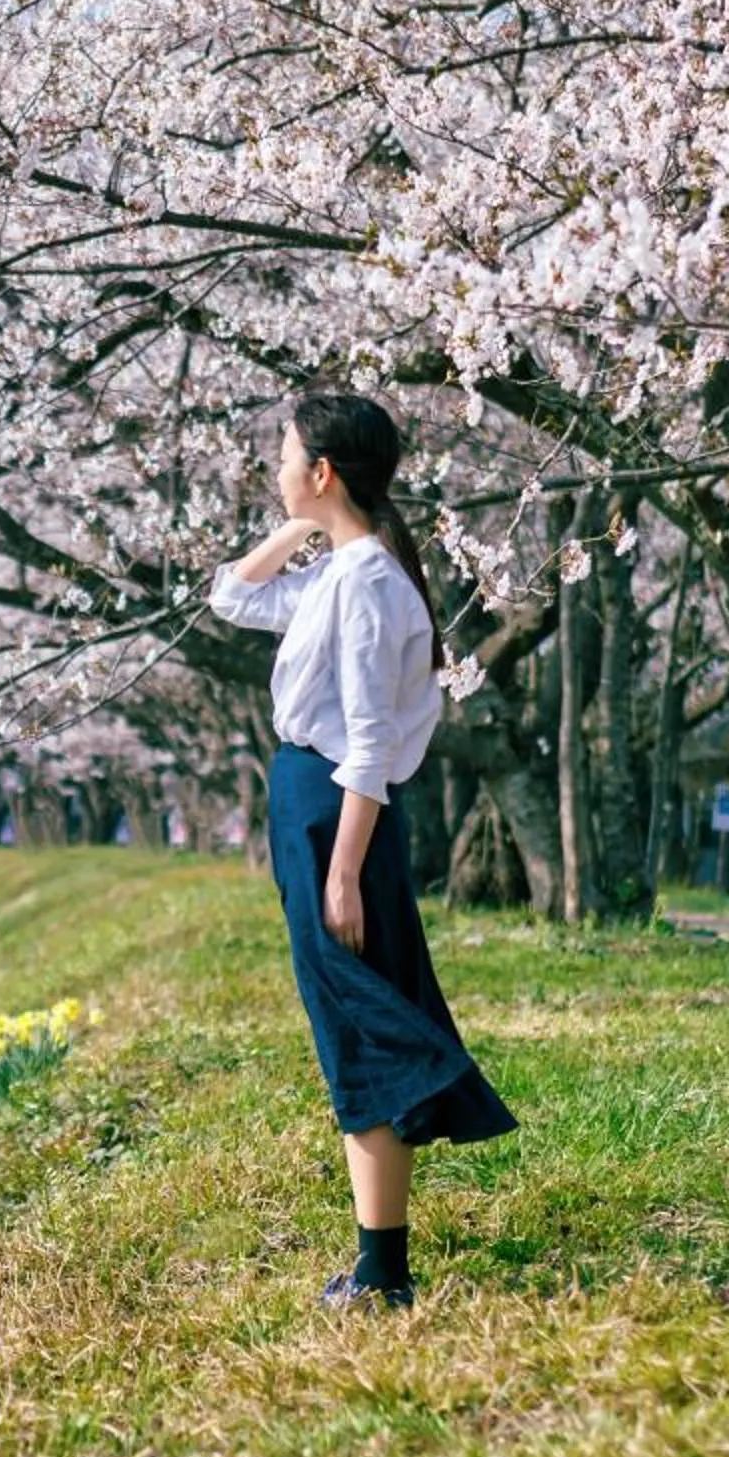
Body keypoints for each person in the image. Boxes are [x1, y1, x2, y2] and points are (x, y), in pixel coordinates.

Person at [208, 393, 517, 1310]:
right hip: (315, 804)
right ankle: (379, 1267)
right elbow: (231, 596)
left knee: (363, 1027)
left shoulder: (368, 584)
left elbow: (372, 746)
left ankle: (385, 1273)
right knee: (352, 1024)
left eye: (285, 455)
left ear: (325, 471)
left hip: (338, 814)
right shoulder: (340, 570)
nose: (275, 467)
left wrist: (343, 870)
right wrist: (298, 525)